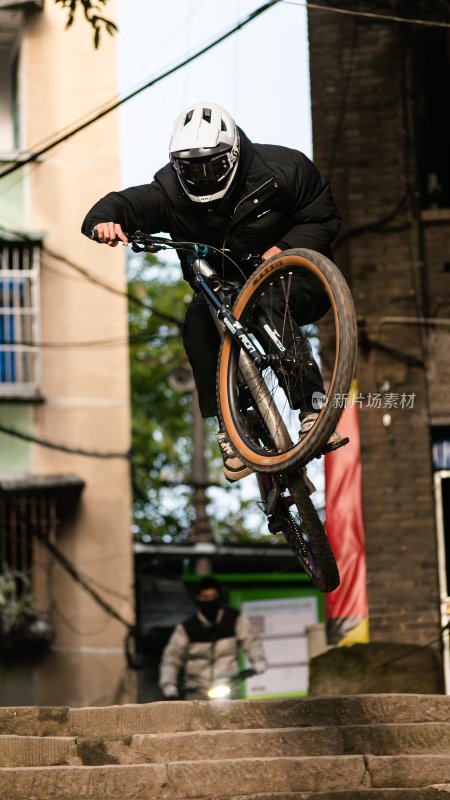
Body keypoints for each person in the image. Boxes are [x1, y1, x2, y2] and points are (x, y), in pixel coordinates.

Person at [82, 101, 342, 482]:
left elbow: (323, 216)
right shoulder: (169, 192)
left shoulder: (283, 170)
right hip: (224, 295)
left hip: (295, 278)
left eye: (213, 165)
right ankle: (230, 427)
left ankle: (313, 409)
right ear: (177, 165)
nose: (203, 176)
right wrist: (103, 220)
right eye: (191, 168)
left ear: (233, 154)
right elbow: (123, 203)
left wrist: (282, 249)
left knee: (268, 301)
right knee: (198, 321)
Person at [159, 576, 267, 700]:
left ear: (219, 596)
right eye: (205, 597)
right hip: (197, 690)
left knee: (234, 717)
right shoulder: (187, 627)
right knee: (195, 719)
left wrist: (259, 660)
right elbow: (172, 657)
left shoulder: (234, 618)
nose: (210, 601)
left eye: (213, 597)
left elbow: (251, 641)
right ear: (198, 598)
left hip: (229, 685)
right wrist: (168, 683)